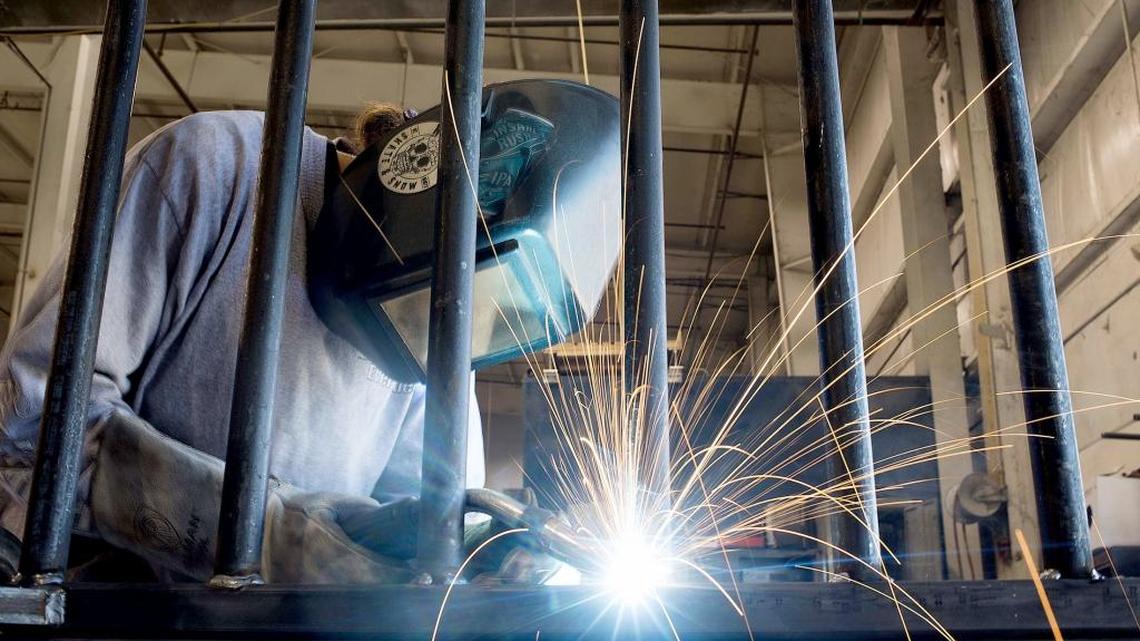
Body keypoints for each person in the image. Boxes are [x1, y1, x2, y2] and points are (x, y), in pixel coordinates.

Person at [0, 79, 621, 584]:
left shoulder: (440, 341)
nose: (431, 340)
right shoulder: (219, 168)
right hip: (91, 608)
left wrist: (488, 561)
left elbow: (429, 568)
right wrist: (262, 534)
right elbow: (30, 431)